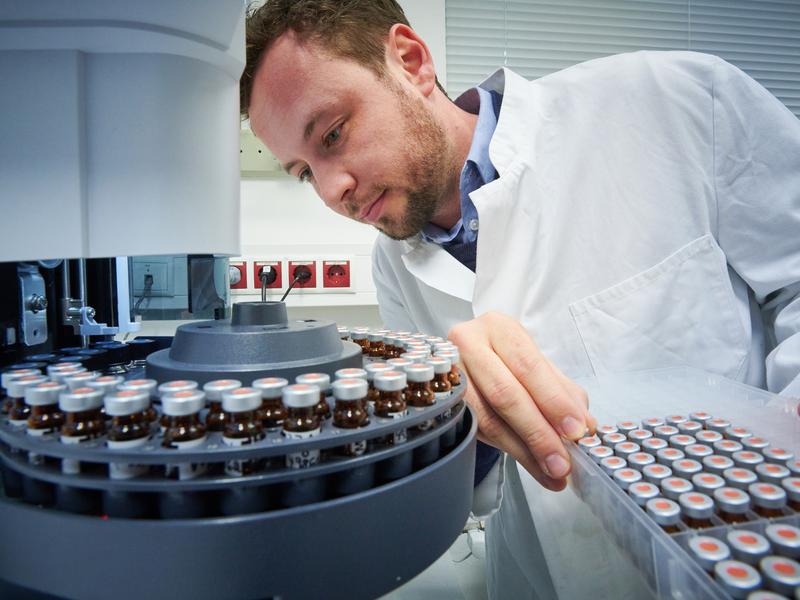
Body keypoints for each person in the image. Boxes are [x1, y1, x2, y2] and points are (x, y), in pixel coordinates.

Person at [240, 1, 800, 597]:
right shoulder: (395, 265)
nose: (333, 191)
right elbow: (474, 485)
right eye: (303, 172)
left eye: (332, 134)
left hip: (744, 546)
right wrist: (455, 417)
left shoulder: (674, 101)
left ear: (410, 61)